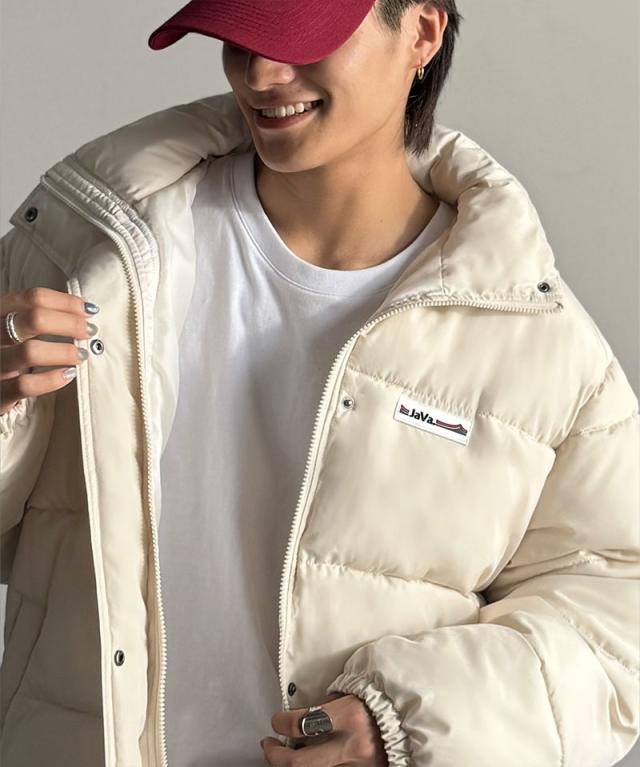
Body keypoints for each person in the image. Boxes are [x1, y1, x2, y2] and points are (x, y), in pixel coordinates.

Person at [0, 1, 638, 765]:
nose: (261, 74)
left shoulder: (530, 337)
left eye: (301, 38)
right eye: (240, 37)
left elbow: (617, 618)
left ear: (422, 32)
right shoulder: (87, 254)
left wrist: (410, 718)